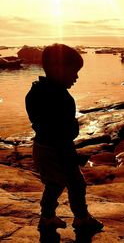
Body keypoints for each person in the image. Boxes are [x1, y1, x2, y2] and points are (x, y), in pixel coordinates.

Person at [25, 43, 103, 232]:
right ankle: (81, 218)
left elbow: (38, 121)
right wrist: (72, 137)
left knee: (54, 184)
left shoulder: (35, 91)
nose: (76, 77)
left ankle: (47, 217)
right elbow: (64, 129)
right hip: (58, 149)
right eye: (73, 72)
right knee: (76, 184)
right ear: (56, 68)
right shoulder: (60, 96)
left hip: (41, 146)